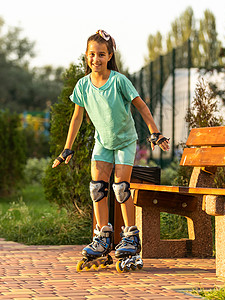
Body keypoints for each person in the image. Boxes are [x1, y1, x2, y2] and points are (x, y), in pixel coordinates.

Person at [52, 30, 169, 272]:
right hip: (102, 142)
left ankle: (130, 236)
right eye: (92, 54)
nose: (96, 59)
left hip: (125, 140)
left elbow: (141, 106)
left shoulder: (119, 81)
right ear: (86, 56)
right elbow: (77, 117)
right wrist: (67, 148)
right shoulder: (83, 86)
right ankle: (103, 236)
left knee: (121, 188)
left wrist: (154, 132)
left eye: (101, 54)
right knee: (97, 188)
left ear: (110, 55)